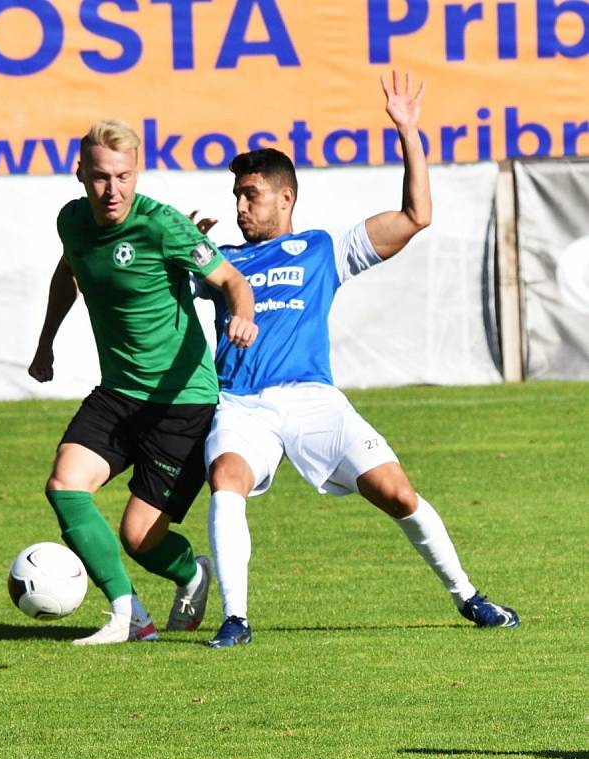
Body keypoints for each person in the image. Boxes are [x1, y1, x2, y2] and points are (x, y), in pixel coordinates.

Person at [197, 72, 520, 648]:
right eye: (237, 196)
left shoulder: (322, 248)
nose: (241, 206)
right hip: (243, 404)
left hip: (314, 400)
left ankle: (469, 597)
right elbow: (153, 290)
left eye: (252, 194)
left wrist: (408, 131)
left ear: (285, 196)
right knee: (226, 479)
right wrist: (182, 250)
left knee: (397, 493)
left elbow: (416, 216)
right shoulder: (220, 261)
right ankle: (236, 618)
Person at [28, 119, 257, 645]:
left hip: (181, 403)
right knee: (65, 485)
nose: (114, 190)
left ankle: (191, 573)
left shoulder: (162, 225)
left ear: (138, 173)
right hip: (118, 393)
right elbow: (70, 273)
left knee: (139, 538)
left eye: (124, 177)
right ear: (80, 172)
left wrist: (242, 315)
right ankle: (130, 615)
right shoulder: (73, 221)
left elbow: (231, 280)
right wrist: (46, 342)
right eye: (103, 177)